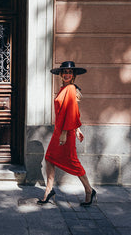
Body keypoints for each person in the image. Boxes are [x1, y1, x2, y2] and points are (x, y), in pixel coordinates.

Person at [38, 61, 96, 207]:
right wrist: (77, 129)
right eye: (64, 72)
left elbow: (69, 112)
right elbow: (73, 110)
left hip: (64, 131)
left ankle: (89, 190)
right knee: (49, 158)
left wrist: (66, 132)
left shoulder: (70, 88)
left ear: (73, 75)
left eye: (70, 72)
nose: (67, 74)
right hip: (61, 130)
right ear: (61, 74)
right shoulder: (64, 88)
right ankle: (49, 190)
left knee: (72, 161)